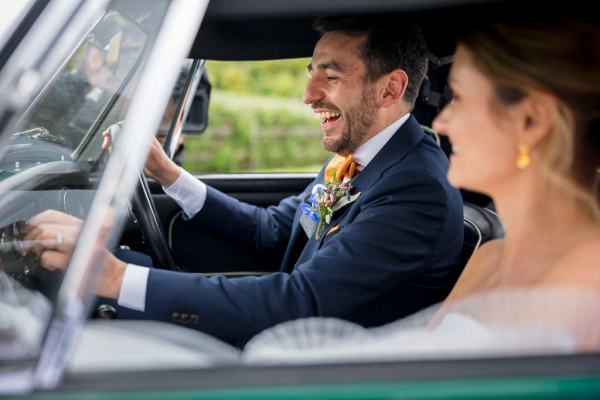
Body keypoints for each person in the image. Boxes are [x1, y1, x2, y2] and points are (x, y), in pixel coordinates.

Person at [24, 17, 464, 346]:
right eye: (311, 73)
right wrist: (168, 174)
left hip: (325, 370)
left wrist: (118, 279)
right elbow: (269, 231)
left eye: (330, 77)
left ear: (390, 90)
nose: (308, 96)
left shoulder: (415, 188)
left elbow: (300, 302)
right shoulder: (358, 159)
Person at [242, 17, 600, 361]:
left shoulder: (590, 281)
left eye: (458, 98)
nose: (441, 121)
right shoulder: (490, 260)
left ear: (531, 121)